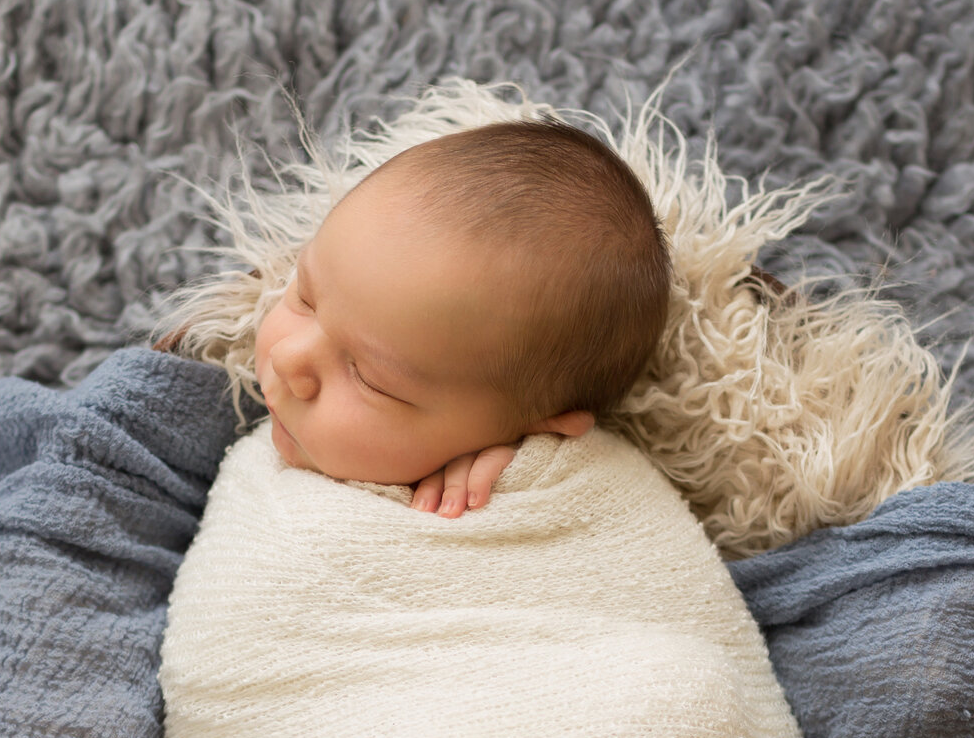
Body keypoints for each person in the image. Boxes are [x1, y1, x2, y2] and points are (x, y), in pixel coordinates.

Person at [246, 118, 672, 513]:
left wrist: (523, 478)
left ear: (540, 430)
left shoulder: (571, 493)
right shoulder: (217, 419)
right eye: (304, 297)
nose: (286, 358)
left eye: (371, 379)